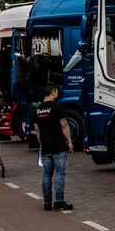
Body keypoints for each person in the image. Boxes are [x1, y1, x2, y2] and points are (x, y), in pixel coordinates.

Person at [33, 82, 74, 211]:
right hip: (58, 146)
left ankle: (47, 202)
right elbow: (64, 125)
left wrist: (41, 145)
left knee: (46, 174)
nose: (57, 95)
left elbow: (37, 130)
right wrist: (70, 142)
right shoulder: (58, 107)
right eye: (56, 92)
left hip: (45, 147)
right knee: (60, 173)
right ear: (52, 92)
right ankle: (59, 201)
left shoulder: (37, 110)